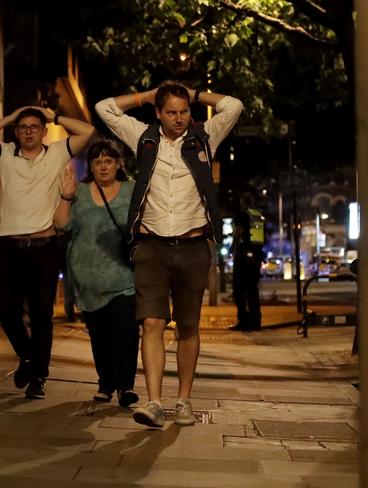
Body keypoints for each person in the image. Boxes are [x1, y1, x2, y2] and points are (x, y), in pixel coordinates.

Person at [96, 80, 243, 427]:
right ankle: (154, 402)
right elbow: (105, 107)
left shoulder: (205, 136)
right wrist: (146, 96)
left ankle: (184, 401)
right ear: (158, 114)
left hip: (193, 247)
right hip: (151, 247)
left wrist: (194, 95)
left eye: (183, 112)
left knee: (188, 327)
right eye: (171, 112)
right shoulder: (143, 137)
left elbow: (233, 106)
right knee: (151, 322)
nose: (179, 119)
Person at [0, 106, 94, 399]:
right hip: (10, 248)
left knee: (41, 316)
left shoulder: (57, 153)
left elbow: (87, 131)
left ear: (43, 130)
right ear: (17, 131)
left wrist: (52, 116)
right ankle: (27, 357)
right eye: (23, 127)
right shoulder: (5, 155)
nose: (28, 131)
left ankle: (38, 376)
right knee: (6, 312)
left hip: (44, 249)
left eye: (34, 126)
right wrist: (10, 117)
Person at [54, 140, 140, 407]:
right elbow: (61, 224)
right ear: (91, 166)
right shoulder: (78, 191)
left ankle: (125, 387)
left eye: (108, 161)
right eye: (97, 162)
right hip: (86, 281)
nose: (103, 167)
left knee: (125, 333)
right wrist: (66, 197)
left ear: (118, 163)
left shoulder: (132, 190)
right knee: (99, 336)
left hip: (123, 277)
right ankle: (106, 383)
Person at [229, 211, 265, 331]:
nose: (236, 229)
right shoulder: (243, 239)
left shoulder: (246, 240)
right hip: (248, 267)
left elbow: (246, 253)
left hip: (246, 268)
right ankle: (251, 321)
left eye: (237, 226)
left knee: (246, 294)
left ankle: (248, 322)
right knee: (247, 294)